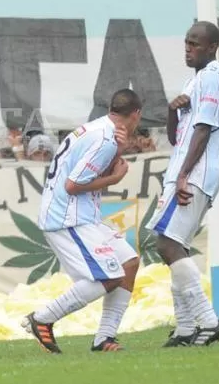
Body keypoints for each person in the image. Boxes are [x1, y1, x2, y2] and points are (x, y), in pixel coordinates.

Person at [23, 89, 142, 353]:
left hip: (84, 215)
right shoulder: (105, 139)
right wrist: (114, 179)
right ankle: (42, 319)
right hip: (67, 218)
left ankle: (104, 338)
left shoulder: (99, 128)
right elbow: (73, 184)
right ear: (136, 115)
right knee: (109, 278)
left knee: (129, 262)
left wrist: (120, 149)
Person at [148, 21, 219, 347]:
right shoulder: (194, 80)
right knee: (175, 244)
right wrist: (172, 112)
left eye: (195, 43)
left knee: (166, 244)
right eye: (186, 42)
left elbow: (203, 130)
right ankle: (185, 329)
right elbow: (177, 136)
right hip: (190, 171)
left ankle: (209, 322)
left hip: (194, 173)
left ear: (212, 47)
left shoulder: (212, 76)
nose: (188, 48)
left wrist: (183, 176)